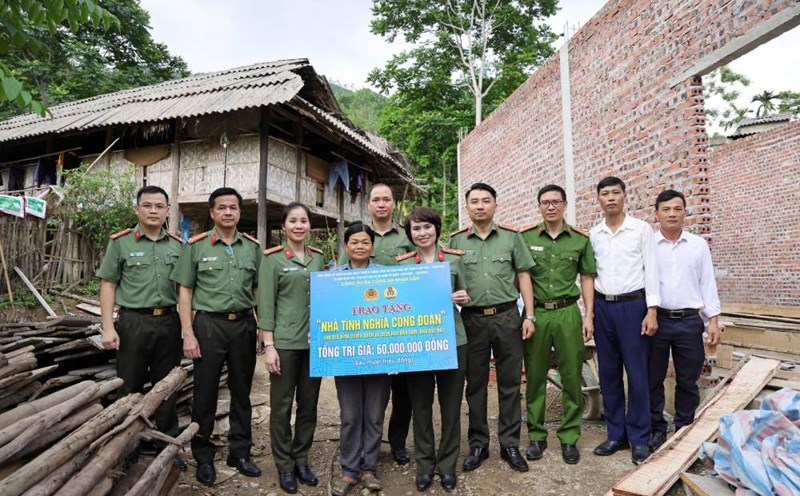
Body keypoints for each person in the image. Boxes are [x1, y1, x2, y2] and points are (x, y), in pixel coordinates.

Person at [171, 187, 262, 486]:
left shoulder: (252, 247)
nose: (227, 212)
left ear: (239, 212)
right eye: (221, 207)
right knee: (205, 392)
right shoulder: (195, 247)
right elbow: (185, 293)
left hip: (244, 326)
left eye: (233, 207)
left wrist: (261, 327)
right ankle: (204, 456)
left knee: (241, 391)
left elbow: (258, 290)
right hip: (209, 325)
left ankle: (240, 452)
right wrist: (188, 333)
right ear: (212, 212)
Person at [448, 182, 536, 473]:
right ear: (467, 207)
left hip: (507, 317)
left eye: (486, 200)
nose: (480, 206)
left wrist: (530, 316)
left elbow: (523, 276)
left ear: (495, 205)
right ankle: (478, 444)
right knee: (475, 385)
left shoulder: (511, 238)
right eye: (474, 201)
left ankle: (510, 443)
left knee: (510, 383)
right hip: (472, 320)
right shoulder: (456, 241)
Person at [97, 185, 183, 465]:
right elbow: (108, 284)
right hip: (133, 322)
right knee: (130, 386)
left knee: (167, 386)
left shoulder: (177, 245)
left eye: (160, 206)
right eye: (147, 205)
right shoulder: (121, 242)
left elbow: (185, 289)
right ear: (137, 209)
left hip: (169, 322)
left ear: (168, 211)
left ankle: (167, 446)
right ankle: (128, 448)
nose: (154, 210)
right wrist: (108, 327)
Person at [519, 185, 596, 465]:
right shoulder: (526, 238)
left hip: (567, 314)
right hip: (537, 313)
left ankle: (569, 437)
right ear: (539, 206)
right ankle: (537, 437)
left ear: (564, 205)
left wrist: (588, 316)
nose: (550, 207)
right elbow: (522, 276)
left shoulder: (579, 240)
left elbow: (587, 278)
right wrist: (527, 315)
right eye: (545, 202)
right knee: (536, 377)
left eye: (555, 202)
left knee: (572, 375)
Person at [339, 183, 415, 465]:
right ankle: (358, 450)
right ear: (368, 204)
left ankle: (396, 443)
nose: (381, 204)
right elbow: (336, 288)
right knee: (364, 401)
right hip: (360, 332)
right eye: (376, 200)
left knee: (402, 393)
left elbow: (422, 271)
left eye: (386, 199)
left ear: (394, 204)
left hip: (397, 324)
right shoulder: (357, 234)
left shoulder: (407, 237)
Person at [397, 207, 469, 492]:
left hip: (452, 338)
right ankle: (425, 465)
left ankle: (447, 465)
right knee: (421, 406)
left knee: (451, 407)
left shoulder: (453, 260)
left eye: (427, 227)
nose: (422, 233)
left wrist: (462, 297)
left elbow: (466, 297)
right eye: (416, 229)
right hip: (418, 342)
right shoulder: (402, 266)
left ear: (436, 228)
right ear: (410, 234)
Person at [589, 176, 660, 465]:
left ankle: (639, 438)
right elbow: (590, 277)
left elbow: (652, 269)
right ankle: (616, 434)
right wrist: (590, 313)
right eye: (604, 193)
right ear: (599, 199)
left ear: (624, 196)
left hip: (634, 306)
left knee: (637, 373)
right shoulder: (594, 234)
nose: (610, 198)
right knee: (608, 374)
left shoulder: (641, 230)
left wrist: (652, 309)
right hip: (604, 306)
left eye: (615, 193)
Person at [259, 202, 326, 494]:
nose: (299, 226)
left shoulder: (319, 259)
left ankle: (302, 459)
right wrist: (269, 345)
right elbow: (265, 305)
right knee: (282, 406)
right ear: (284, 226)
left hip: (314, 345)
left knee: (309, 406)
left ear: (309, 226)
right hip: (284, 344)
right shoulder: (272, 259)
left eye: (303, 221)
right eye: (293, 221)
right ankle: (284, 465)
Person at [648, 189, 721, 451]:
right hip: (658, 320)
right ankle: (656, 429)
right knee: (653, 378)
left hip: (690, 321)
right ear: (656, 214)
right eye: (666, 209)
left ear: (685, 213)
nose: (672, 214)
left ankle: (683, 430)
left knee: (688, 380)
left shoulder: (698, 245)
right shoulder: (649, 246)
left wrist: (712, 319)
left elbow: (707, 282)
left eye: (677, 209)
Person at [331, 222, 391, 496]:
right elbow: (325, 314)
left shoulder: (385, 277)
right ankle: (349, 470)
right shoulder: (333, 277)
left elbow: (395, 317)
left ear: (372, 247)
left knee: (374, 415)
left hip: (378, 358)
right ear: (346, 246)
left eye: (365, 242)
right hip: (346, 358)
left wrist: (396, 355)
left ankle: (369, 468)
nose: (360, 246)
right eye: (354, 242)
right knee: (351, 415)